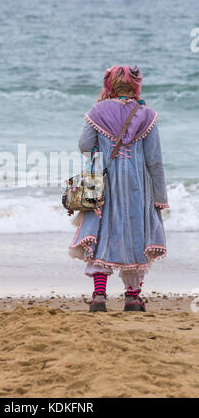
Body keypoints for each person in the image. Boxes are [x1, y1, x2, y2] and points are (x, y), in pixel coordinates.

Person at [69, 65, 169, 312]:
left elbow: (84, 145)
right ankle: (133, 298)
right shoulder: (147, 115)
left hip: (105, 182)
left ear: (110, 84)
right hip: (138, 184)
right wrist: (160, 197)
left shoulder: (97, 111)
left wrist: (100, 151)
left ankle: (99, 296)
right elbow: (154, 160)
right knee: (136, 233)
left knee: (102, 232)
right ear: (135, 85)